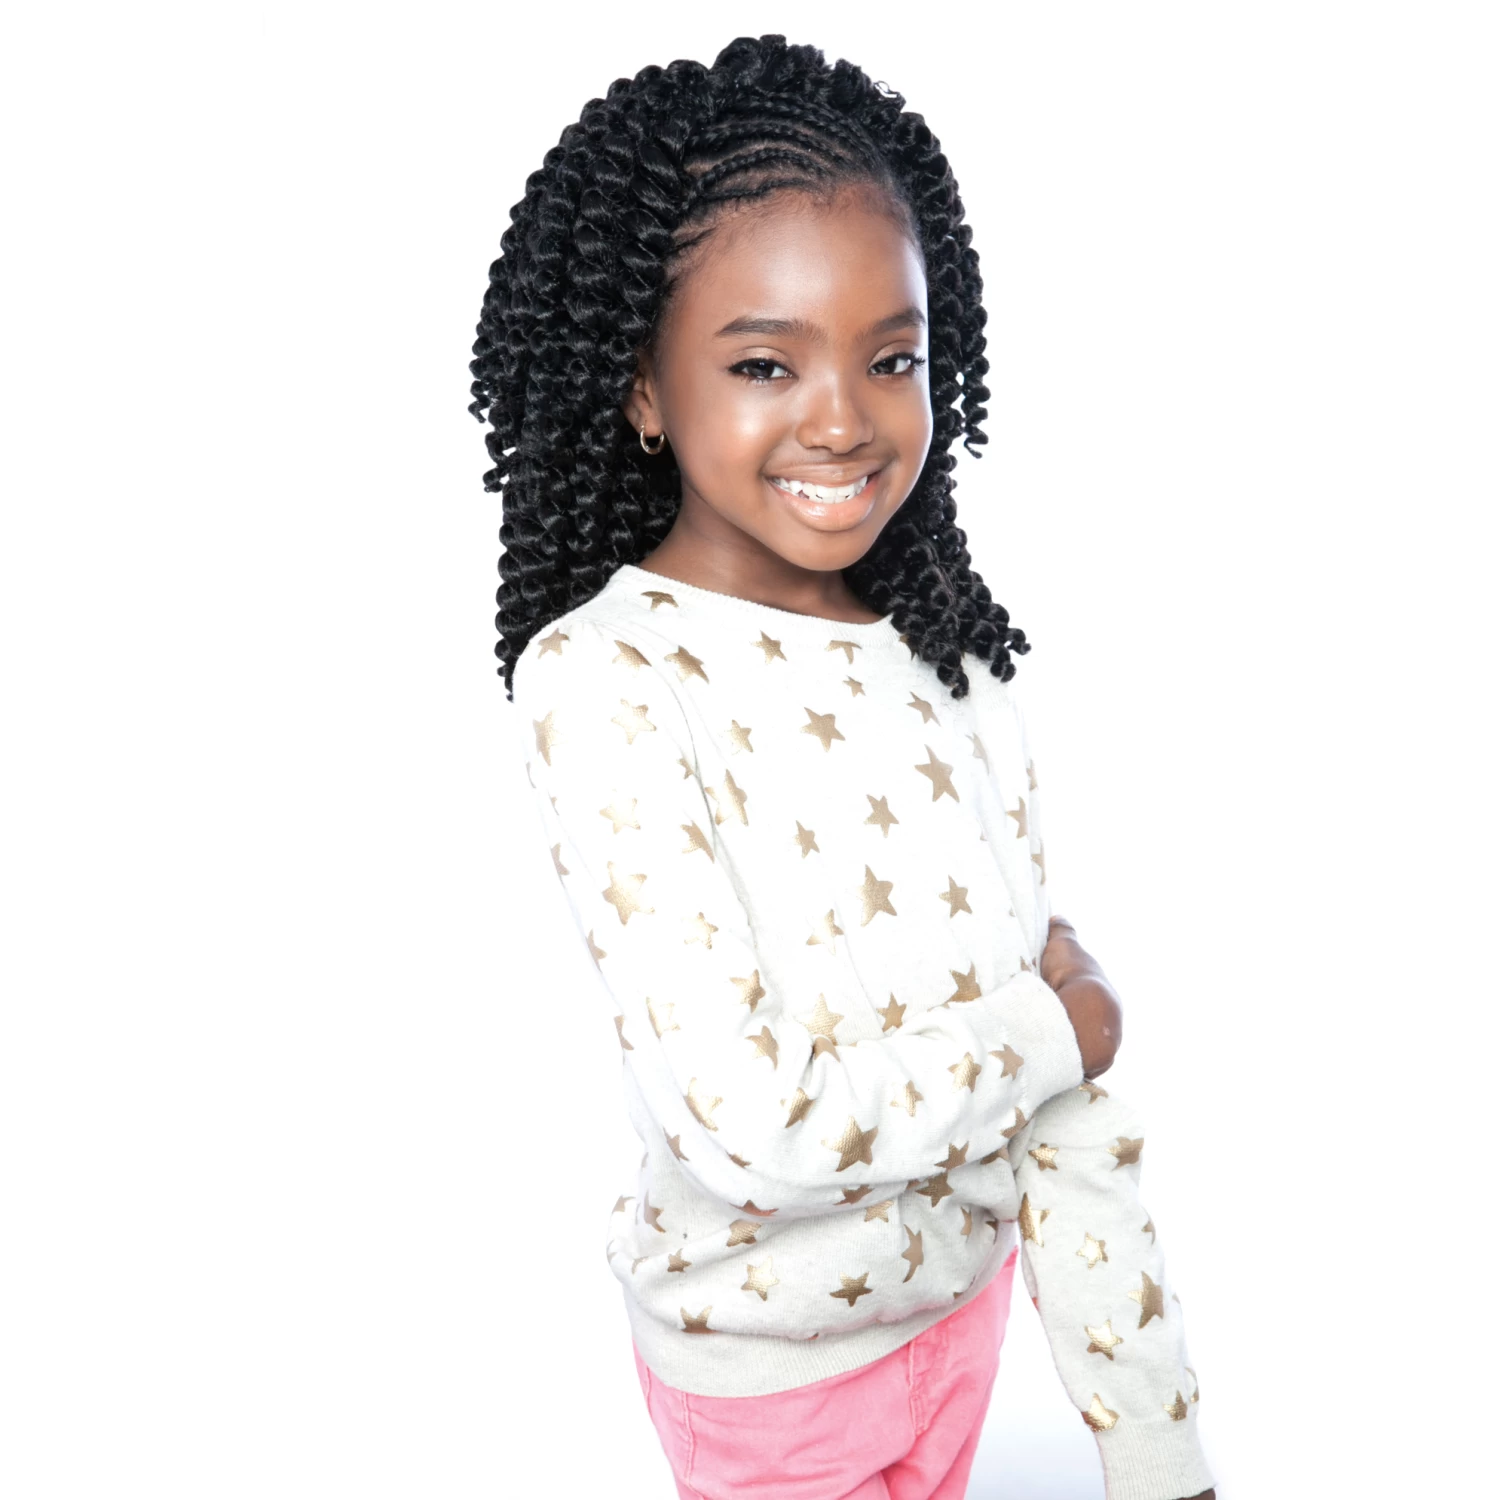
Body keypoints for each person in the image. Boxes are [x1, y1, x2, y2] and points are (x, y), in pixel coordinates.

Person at [471, 34, 1215, 1500]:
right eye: (764, 363)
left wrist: (1156, 1450)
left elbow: (1062, 1112)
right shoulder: (610, 680)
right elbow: (756, 1126)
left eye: (892, 358)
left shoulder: (953, 658)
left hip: (964, 1319)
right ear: (641, 386)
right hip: (772, 1383)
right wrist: (1053, 1033)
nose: (842, 418)